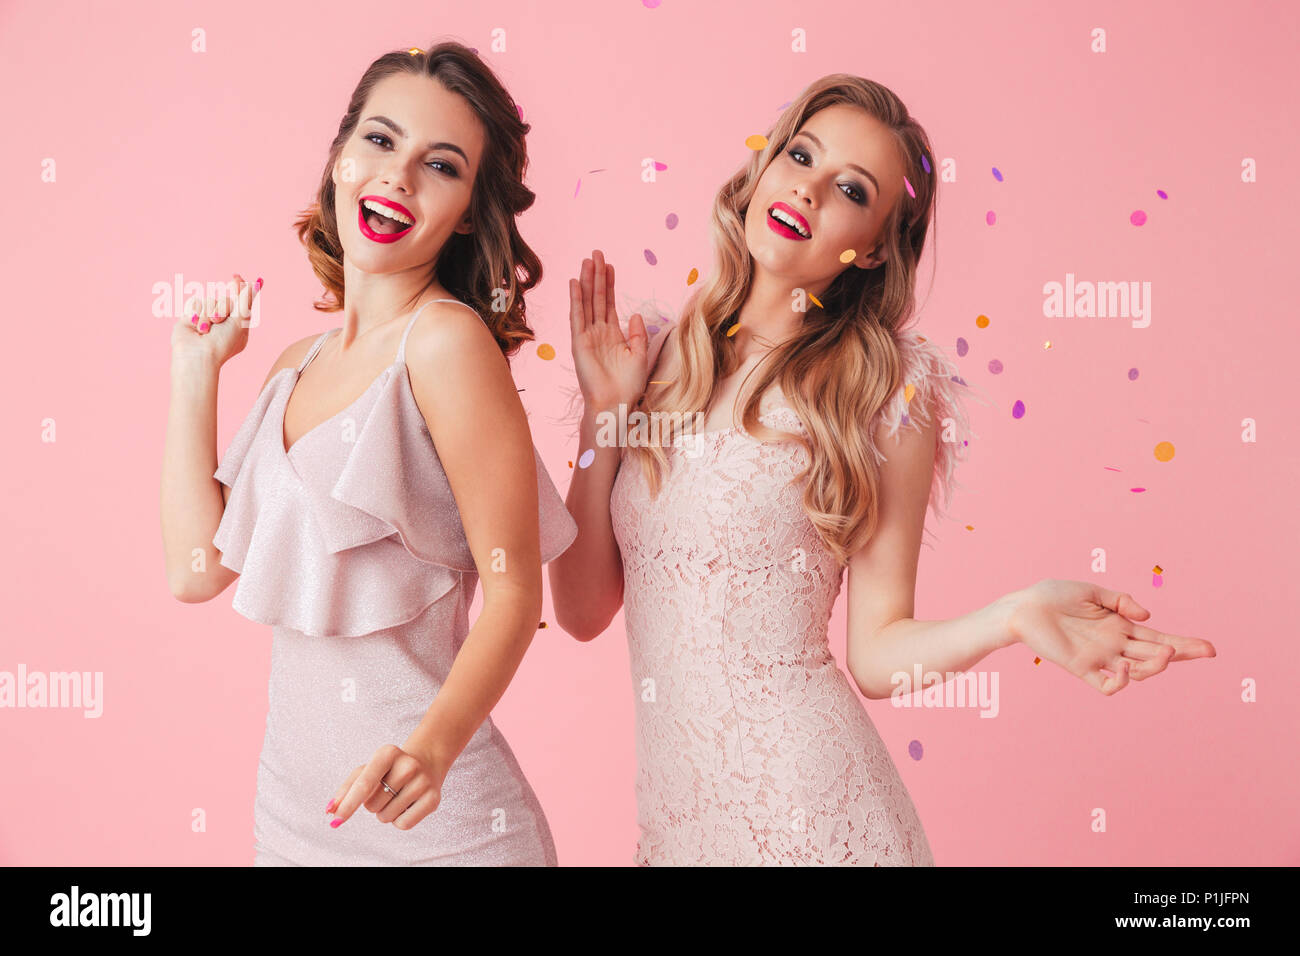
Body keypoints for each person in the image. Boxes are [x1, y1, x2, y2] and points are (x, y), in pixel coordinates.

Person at [550, 73, 1216, 866]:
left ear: (868, 248)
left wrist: (1010, 616)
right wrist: (605, 415)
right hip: (677, 827)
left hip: (815, 820)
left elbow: (876, 654)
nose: (806, 188)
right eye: (799, 155)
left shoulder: (883, 391)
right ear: (762, 168)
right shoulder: (655, 358)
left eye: (850, 190)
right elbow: (584, 609)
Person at [161, 41, 576, 865]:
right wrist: (193, 374)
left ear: (466, 210)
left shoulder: (448, 345)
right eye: (380, 142)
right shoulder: (293, 367)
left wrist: (433, 748)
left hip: (440, 832)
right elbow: (197, 571)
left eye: (442, 165)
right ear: (340, 157)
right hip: (294, 816)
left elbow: (514, 589)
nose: (398, 176)